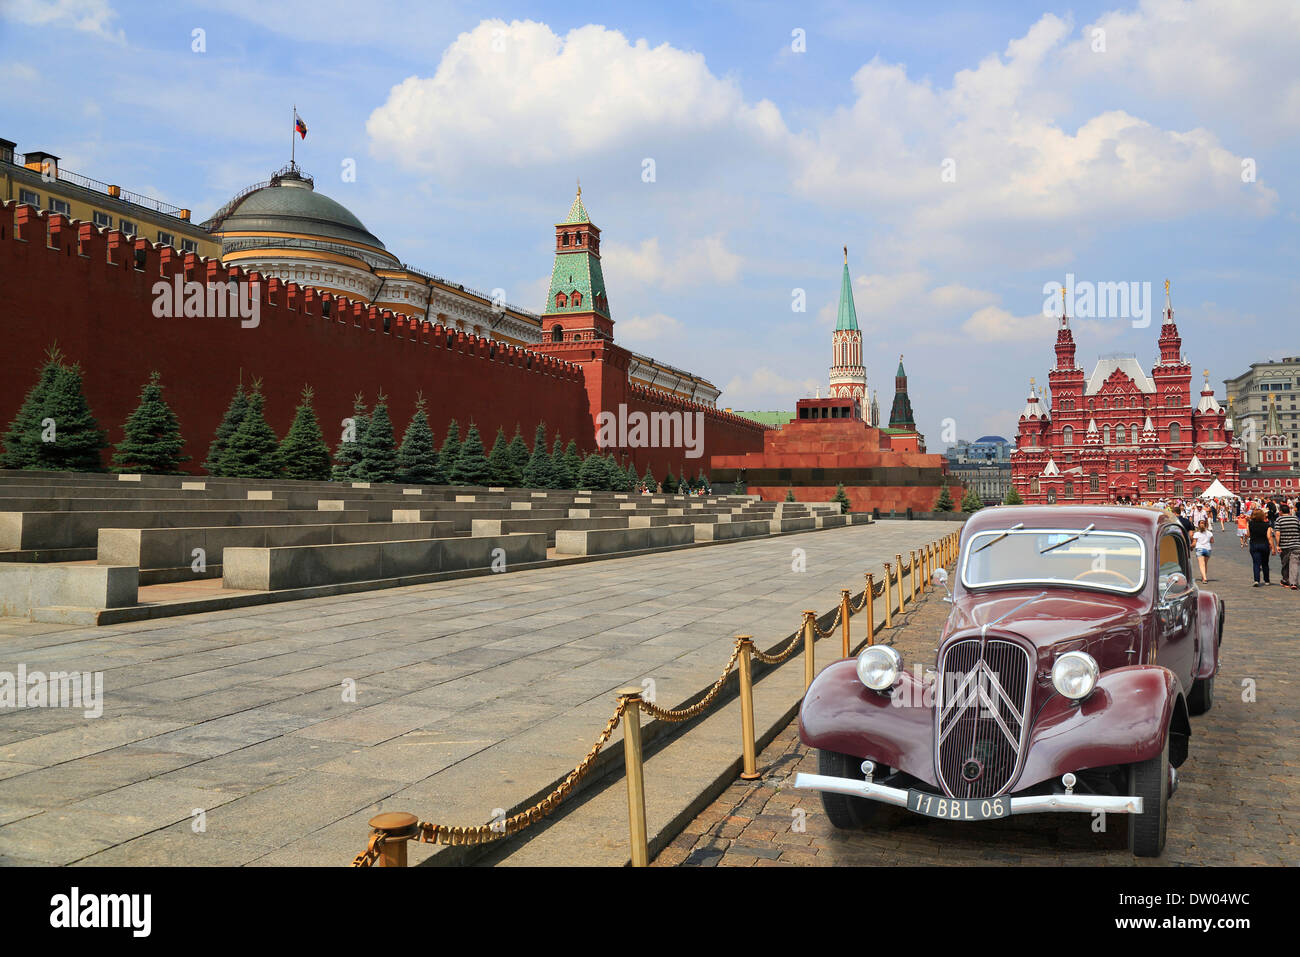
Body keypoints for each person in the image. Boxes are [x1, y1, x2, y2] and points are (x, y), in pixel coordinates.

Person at [1276, 502, 1300, 590]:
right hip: (1296, 544)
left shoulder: (1279, 520)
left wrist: (1277, 544)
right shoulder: (1295, 519)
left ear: (1281, 511)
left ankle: (1286, 580)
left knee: (1285, 563)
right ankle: (1293, 583)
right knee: (1295, 564)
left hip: (1284, 545)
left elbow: (1278, 533)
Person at [1247, 508, 1273, 586]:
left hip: (1254, 544)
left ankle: (1256, 580)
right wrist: (1273, 547)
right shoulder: (1267, 525)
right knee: (1265, 563)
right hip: (1264, 545)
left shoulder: (1250, 524)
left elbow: (1248, 534)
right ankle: (1267, 580)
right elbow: (1269, 537)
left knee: (1256, 563)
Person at [1192, 519, 1213, 584]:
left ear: (1198, 526)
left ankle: (1204, 578)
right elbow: (1212, 541)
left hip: (1199, 549)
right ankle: (1203, 577)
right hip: (1208, 549)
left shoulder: (1196, 534)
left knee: (1201, 564)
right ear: (1206, 525)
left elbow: (1194, 543)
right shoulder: (1209, 533)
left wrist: (1190, 546)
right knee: (1205, 564)